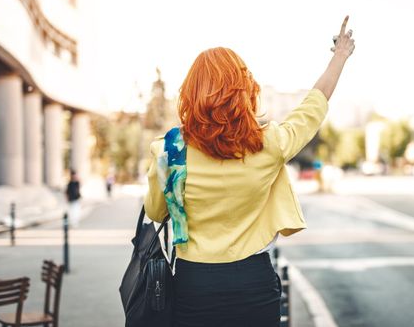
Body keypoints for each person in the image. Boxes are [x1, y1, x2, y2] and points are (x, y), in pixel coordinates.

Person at [144, 16, 355, 326]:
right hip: (253, 282)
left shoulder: (170, 150)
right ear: (244, 90)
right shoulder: (269, 143)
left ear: (190, 93)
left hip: (194, 285)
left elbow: (155, 211)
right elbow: (313, 106)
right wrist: (339, 56)